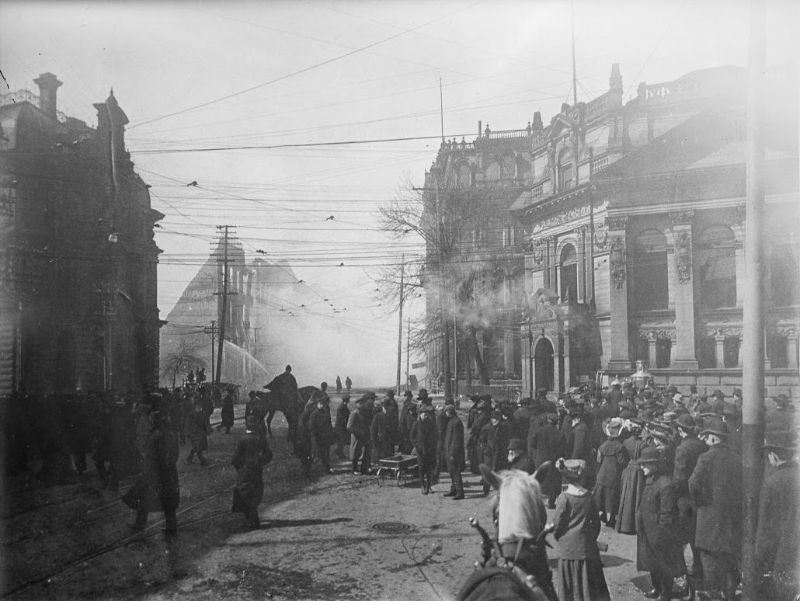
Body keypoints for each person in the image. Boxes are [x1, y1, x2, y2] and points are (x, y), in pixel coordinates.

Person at [689, 418, 742, 601]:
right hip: (731, 518)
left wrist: (700, 502)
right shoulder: (737, 459)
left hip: (709, 517)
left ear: (712, 438)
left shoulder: (705, 458)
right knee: (728, 558)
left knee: (709, 558)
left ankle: (714, 595)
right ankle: (729, 594)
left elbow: (693, 483)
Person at [548, 458, 610, 601]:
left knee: (569, 587)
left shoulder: (564, 498)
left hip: (568, 550)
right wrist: (589, 539)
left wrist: (560, 537)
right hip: (587, 549)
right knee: (587, 584)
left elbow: (557, 524)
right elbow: (596, 524)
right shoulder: (589, 497)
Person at [636, 447, 685, 601]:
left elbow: (666, 514)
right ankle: (657, 589)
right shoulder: (650, 480)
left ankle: (666, 593)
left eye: (645, 464)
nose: (642, 467)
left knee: (665, 565)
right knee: (652, 563)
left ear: (655, 465)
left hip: (660, 534)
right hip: (649, 531)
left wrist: (660, 534)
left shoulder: (665, 484)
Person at [755, 430, 799, 601]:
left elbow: (765, 525)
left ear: (773, 456)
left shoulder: (772, 482)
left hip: (783, 553)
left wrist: (760, 555)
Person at [122, 411, 180, 535]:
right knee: (168, 501)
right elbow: (175, 455)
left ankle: (139, 524)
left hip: (155, 473)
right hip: (169, 473)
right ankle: (171, 526)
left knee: (145, 497)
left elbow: (150, 454)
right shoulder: (172, 434)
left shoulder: (156, 436)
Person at [672, 413, 706, 576]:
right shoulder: (701, 445)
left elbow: (679, 477)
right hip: (699, 497)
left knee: (680, 538)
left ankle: (683, 574)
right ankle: (698, 568)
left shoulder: (682, 448)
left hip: (684, 498)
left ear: (680, 429)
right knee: (696, 537)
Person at [232, 415, 272, 529]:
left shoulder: (242, 440)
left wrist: (240, 468)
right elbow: (269, 455)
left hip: (244, 472)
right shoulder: (260, 439)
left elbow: (235, 459)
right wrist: (260, 463)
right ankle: (253, 519)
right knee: (255, 494)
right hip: (257, 471)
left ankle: (252, 521)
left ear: (246, 425)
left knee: (244, 494)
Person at [594, 417, 628, 528]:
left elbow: (598, 460)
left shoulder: (602, 446)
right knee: (610, 498)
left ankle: (600, 516)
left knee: (600, 497)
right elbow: (621, 462)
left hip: (602, 475)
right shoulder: (620, 447)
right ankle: (610, 520)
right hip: (612, 476)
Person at [528, 413, 567, 508]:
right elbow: (563, 450)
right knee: (553, 482)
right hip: (553, 460)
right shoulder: (560, 434)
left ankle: (537, 502)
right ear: (557, 422)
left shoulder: (539, 431)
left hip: (540, 459)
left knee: (538, 480)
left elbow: (532, 444)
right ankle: (551, 502)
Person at [410, 403, 438, 494]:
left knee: (430, 469)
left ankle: (429, 486)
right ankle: (423, 486)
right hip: (420, 450)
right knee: (422, 468)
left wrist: (433, 445)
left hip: (430, 450)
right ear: (420, 414)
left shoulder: (431, 423)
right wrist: (417, 445)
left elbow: (436, 435)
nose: (425, 415)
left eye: (427, 413)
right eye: (423, 413)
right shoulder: (416, 424)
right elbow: (412, 436)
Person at [443, 402, 465, 500]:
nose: (445, 413)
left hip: (454, 453)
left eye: (446, 411)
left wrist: (452, 453)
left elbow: (456, 440)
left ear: (450, 412)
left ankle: (460, 492)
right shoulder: (452, 421)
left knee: (455, 472)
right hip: (450, 452)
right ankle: (454, 490)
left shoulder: (455, 422)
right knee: (452, 472)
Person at [309, 396, 335, 474]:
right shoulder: (314, 414)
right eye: (320, 404)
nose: (322, 405)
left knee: (325, 454)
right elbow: (312, 427)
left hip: (325, 438)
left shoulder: (325, 412)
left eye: (323, 404)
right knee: (318, 454)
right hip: (318, 438)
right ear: (317, 404)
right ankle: (316, 470)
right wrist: (316, 437)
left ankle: (326, 469)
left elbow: (328, 425)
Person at [347, 396, 372, 475]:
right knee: (355, 453)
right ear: (357, 404)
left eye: (364, 403)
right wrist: (358, 432)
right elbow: (349, 427)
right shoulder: (354, 414)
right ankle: (354, 469)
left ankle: (363, 469)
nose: (364, 405)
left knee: (365, 452)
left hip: (364, 435)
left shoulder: (363, 412)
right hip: (356, 436)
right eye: (362, 403)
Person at [185, 401, 209, 466]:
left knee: (196, 447)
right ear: (195, 407)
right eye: (197, 407)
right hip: (194, 433)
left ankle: (189, 459)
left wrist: (207, 430)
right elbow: (188, 424)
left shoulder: (202, 414)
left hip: (200, 433)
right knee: (198, 447)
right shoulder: (191, 415)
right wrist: (188, 433)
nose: (199, 408)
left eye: (200, 407)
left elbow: (205, 424)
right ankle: (202, 460)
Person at [334, 395, 350, 459]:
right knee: (341, 441)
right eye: (347, 401)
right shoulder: (341, 407)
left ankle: (339, 452)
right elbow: (341, 418)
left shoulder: (344, 406)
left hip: (342, 426)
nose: (348, 402)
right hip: (340, 427)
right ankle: (340, 454)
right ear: (344, 401)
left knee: (342, 441)